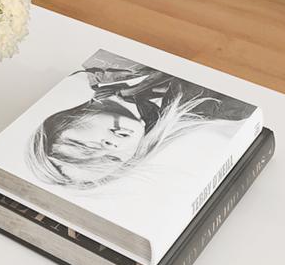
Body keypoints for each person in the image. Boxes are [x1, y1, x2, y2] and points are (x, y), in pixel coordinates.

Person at [25, 53, 255, 191]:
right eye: (111, 159)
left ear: (62, 121)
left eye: (86, 147)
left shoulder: (100, 63)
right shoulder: (217, 109)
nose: (111, 147)